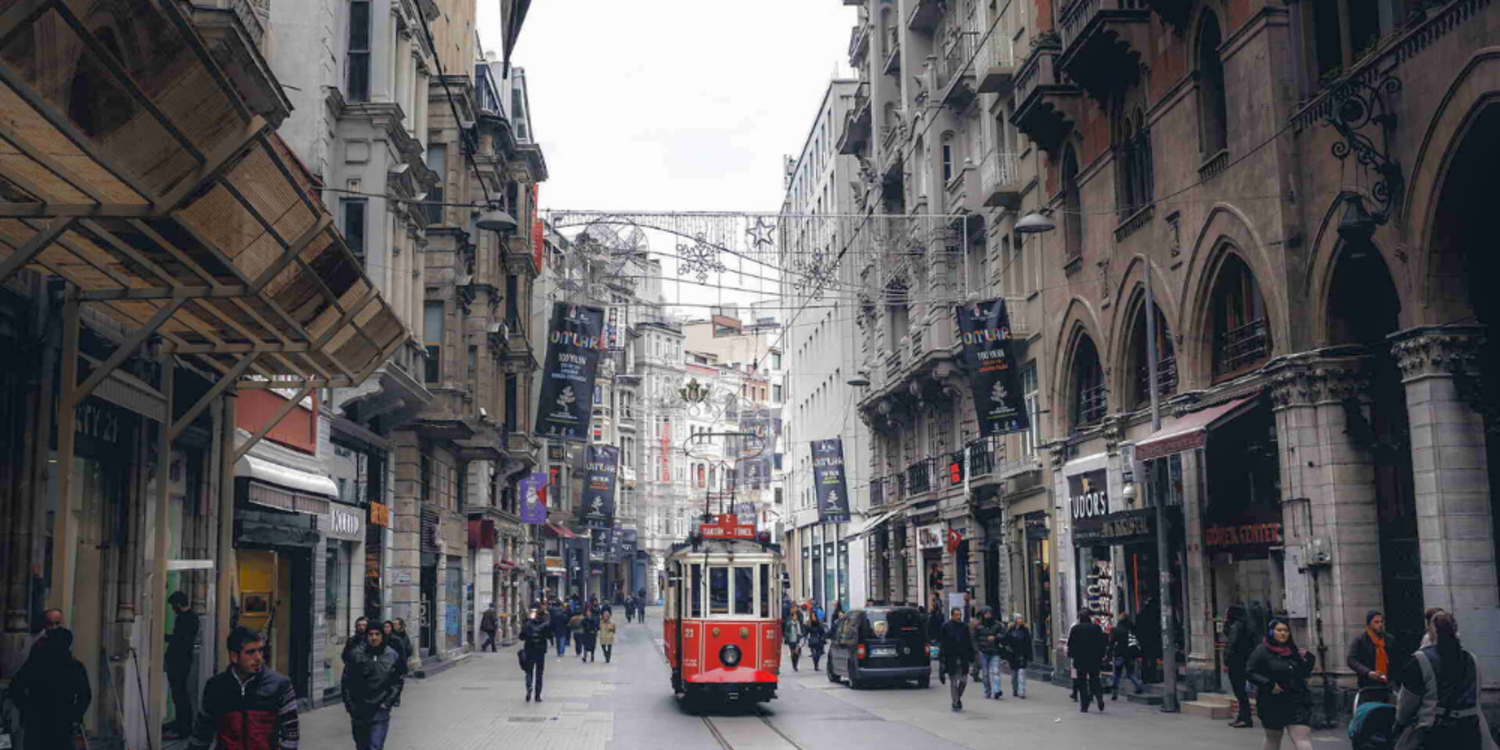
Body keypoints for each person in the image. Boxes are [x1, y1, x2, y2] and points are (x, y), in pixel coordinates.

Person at [1394, 611, 1498, 750]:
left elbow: (1407, 704)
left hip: (1435, 732)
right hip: (1470, 731)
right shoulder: (1471, 659)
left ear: (1431, 632)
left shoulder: (1420, 660)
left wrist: (1399, 723)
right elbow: (1476, 697)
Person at [186, 627, 300, 750]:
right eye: (250, 652)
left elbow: (291, 736)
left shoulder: (280, 685)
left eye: (260, 650)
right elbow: (201, 735)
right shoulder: (215, 687)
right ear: (234, 656)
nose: (258, 658)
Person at [10, 627, 90, 750]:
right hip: (61, 724)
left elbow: (16, 687)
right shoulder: (74, 667)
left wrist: (27, 709)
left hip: (37, 723)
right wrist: (73, 715)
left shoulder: (36, 663)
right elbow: (85, 696)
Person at [1246, 618, 1318, 750]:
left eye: (1286, 630)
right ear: (1271, 632)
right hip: (1272, 700)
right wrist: (1269, 684)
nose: (1283, 633)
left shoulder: (1294, 650)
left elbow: (1304, 672)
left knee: (1301, 736)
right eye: (1279, 630)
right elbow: (1250, 672)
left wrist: (1308, 658)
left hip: (1296, 699)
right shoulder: (1261, 651)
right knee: (1273, 737)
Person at [343, 624, 403, 750]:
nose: (374, 638)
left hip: (380, 709)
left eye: (377, 634)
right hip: (359, 709)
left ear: (382, 636)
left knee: (375, 745)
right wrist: (350, 705)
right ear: (366, 636)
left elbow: (397, 682)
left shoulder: (392, 655)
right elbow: (346, 681)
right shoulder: (355, 655)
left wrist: (387, 702)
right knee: (362, 746)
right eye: (370, 634)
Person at [162, 592, 201, 739]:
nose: (173, 609)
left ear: (178, 604)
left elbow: (180, 640)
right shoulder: (192, 617)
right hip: (183, 661)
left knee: (180, 696)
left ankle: (183, 728)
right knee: (181, 695)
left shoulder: (186, 618)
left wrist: (163, 637)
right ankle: (183, 727)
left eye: (173, 606)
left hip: (179, 662)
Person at [1349, 609, 1401, 691]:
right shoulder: (1360, 640)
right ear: (1369, 624)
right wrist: (1368, 672)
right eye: (1376, 622)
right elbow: (1351, 660)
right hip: (1367, 683)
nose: (1380, 624)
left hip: (1389, 682)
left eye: (1381, 622)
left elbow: (1397, 660)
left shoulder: (1389, 639)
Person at [1067, 611, 1108, 713]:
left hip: (1080, 659)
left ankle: (1084, 705)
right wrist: (1102, 655)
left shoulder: (1076, 629)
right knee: (1095, 679)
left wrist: (1071, 655)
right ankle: (1099, 698)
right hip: (1094, 659)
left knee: (1082, 682)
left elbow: (1071, 644)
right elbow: (1102, 643)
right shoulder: (1096, 628)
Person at [1224, 604, 1256, 728]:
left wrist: (1227, 661)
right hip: (1242, 662)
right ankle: (1242, 717)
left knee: (1240, 692)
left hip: (1236, 663)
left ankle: (1245, 718)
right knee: (1241, 692)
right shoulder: (1244, 626)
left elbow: (1231, 646)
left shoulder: (1236, 627)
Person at [938, 608, 974, 711]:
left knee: (963, 681)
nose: (959, 617)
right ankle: (955, 702)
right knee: (953, 682)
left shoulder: (964, 627)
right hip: (951, 658)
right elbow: (942, 644)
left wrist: (971, 656)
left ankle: (957, 697)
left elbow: (968, 642)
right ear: (952, 615)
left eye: (960, 615)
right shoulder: (946, 627)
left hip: (963, 658)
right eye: (957, 615)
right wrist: (942, 659)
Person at [1109, 614, 1144, 700]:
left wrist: (1110, 653)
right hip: (1129, 655)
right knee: (1130, 673)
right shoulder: (1130, 630)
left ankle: (1114, 693)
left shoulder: (1115, 630)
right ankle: (1139, 686)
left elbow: (1111, 643)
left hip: (1119, 655)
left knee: (1117, 674)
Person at [974, 608, 1007, 699]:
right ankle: (987, 690)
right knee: (985, 674)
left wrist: (995, 637)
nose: (988, 615)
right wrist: (978, 648)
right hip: (983, 652)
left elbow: (1003, 635)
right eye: (986, 614)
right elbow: (974, 638)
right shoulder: (978, 626)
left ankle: (997, 690)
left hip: (995, 651)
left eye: (989, 614)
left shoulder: (997, 625)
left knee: (995, 671)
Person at [521, 608, 553, 702]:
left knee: (529, 671)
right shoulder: (546, 625)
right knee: (539, 673)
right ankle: (537, 695)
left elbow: (521, 637)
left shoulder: (528, 624)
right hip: (540, 651)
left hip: (529, 650)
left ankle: (529, 687)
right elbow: (550, 636)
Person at [1007, 614, 1031, 699]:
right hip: (1013, 654)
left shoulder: (1025, 630)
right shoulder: (1011, 630)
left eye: (1021, 618)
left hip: (1022, 654)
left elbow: (1028, 642)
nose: (1020, 620)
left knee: (1021, 672)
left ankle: (1022, 691)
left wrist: (1029, 655)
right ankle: (1015, 689)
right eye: (1018, 619)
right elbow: (1007, 641)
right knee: (1014, 674)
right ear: (1015, 620)